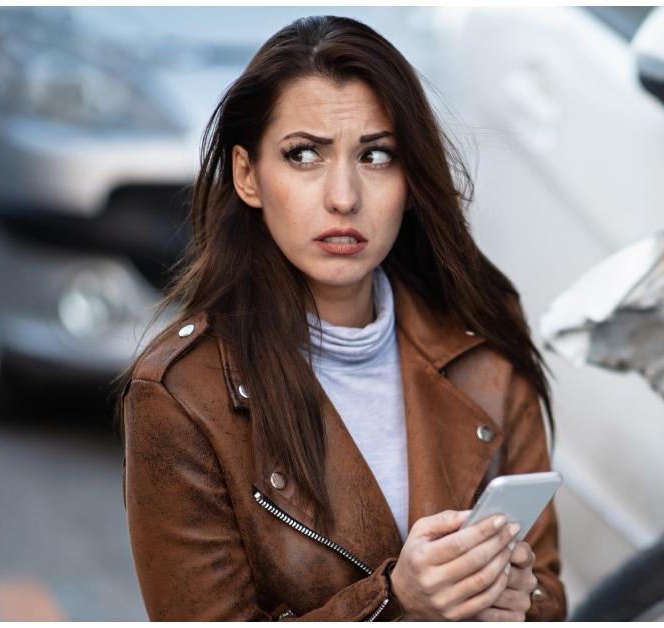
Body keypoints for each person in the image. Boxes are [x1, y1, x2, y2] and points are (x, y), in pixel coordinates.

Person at [116, 14, 565, 621]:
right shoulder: (183, 395)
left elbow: (549, 594)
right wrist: (394, 604)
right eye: (303, 155)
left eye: (376, 156)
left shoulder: (480, 344)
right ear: (248, 176)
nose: (345, 197)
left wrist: (517, 607)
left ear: (410, 179)